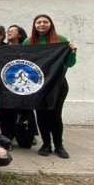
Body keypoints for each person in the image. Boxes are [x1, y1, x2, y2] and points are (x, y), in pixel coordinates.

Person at [24, 14, 77, 158]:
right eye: (38, 22)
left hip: (58, 84)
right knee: (41, 114)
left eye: (45, 22)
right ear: (34, 25)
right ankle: (46, 144)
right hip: (37, 85)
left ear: (50, 24)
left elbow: (70, 64)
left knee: (55, 115)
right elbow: (24, 63)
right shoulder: (28, 42)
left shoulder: (61, 40)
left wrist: (72, 53)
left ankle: (59, 145)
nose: (42, 24)